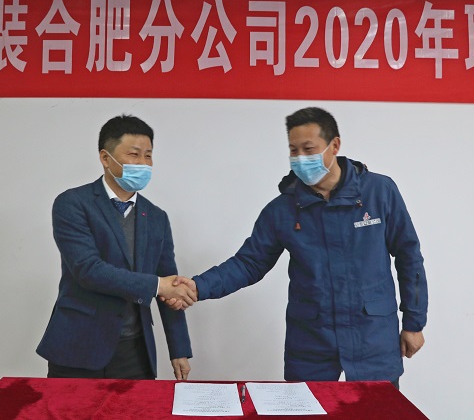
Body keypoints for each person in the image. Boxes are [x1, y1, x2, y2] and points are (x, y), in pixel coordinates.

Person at [167, 107, 427, 386]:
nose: (301, 158)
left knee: (377, 407)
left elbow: (408, 256)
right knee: (305, 407)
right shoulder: (283, 209)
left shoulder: (379, 192)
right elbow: (249, 263)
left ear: (334, 145)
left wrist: (414, 322)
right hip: (311, 342)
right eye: (294, 150)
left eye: (308, 149)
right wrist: (198, 287)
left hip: (373, 336)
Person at [37, 114, 197, 381]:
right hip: (77, 346)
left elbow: (170, 282)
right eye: (134, 154)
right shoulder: (72, 203)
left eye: (148, 155)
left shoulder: (156, 217)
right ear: (105, 157)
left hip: (135, 351)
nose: (143, 163)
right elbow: (88, 270)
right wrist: (159, 285)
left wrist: (179, 349)